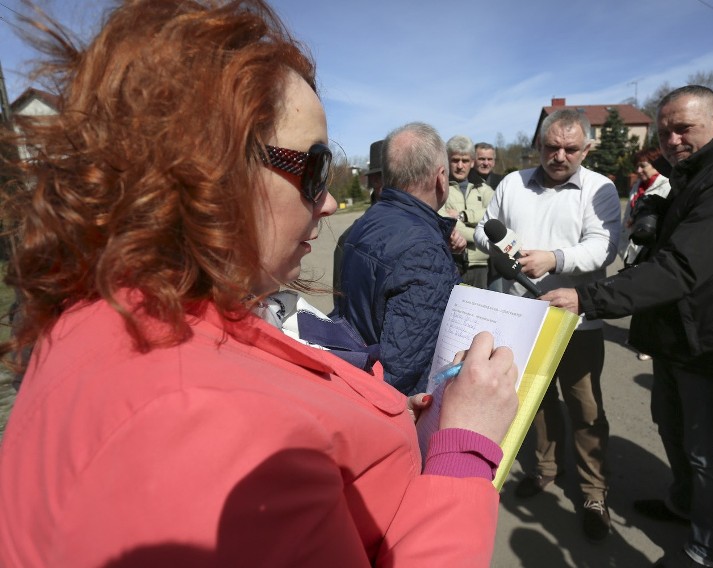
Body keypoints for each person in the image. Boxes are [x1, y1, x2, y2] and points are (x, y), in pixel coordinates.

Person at [0, 2, 520, 567]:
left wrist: (384, 414)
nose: (326, 203)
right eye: (315, 169)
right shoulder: (196, 423)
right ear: (209, 169)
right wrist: (464, 449)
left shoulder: (133, 305)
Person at [541, 85, 713, 568]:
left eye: (683, 128)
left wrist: (589, 298)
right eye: (665, 130)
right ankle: (683, 504)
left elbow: (679, 269)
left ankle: (710, 550)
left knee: (709, 452)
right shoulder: (695, 173)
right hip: (680, 333)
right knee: (673, 428)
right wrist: (654, 211)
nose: (672, 140)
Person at [473, 109, 622, 541]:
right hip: (525, 315)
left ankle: (594, 492)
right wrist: (501, 245)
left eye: (570, 148)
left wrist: (553, 258)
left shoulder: (600, 188)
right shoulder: (512, 182)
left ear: (586, 148)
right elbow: (486, 227)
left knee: (586, 409)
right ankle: (545, 469)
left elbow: (603, 247)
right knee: (535, 401)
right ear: (538, 144)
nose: (559, 156)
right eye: (550, 146)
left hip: (576, 323)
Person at [333, 122, 463, 395]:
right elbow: (403, 368)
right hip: (393, 409)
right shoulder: (423, 250)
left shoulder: (367, 221)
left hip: (355, 378)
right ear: (441, 178)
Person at [619, 147, 672, 361]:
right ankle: (637, 336)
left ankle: (649, 344)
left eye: (643, 165)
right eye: (637, 166)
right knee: (637, 296)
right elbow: (628, 215)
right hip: (635, 246)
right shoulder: (637, 187)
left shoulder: (666, 185)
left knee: (651, 298)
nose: (639, 170)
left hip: (652, 249)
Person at [438, 135, 494, 288]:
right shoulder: (439, 189)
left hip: (480, 265)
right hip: (451, 263)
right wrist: (482, 232)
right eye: (455, 160)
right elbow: (450, 226)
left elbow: (495, 218)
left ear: (472, 163)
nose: (460, 166)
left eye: (465, 161)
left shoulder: (484, 189)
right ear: (447, 161)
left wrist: (464, 215)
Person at [332, 139, 383, 293]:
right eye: (389, 176)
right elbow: (342, 302)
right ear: (375, 180)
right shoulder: (351, 239)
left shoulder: (423, 226)